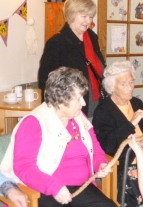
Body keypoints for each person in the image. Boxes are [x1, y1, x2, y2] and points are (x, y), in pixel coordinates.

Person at [0, 67, 116, 207]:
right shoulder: (33, 123)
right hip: (45, 190)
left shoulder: (79, 117)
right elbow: (24, 167)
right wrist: (54, 186)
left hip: (82, 188)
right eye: (78, 98)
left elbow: (96, 150)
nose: (84, 104)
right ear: (61, 99)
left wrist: (100, 164)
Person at [92, 60, 143, 207]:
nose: (130, 87)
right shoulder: (103, 111)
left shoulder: (136, 103)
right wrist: (131, 123)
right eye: (123, 84)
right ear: (112, 87)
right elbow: (108, 146)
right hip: (128, 165)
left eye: (131, 82)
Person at [38, 0, 106, 117]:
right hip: (69, 105)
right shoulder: (57, 42)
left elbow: (99, 65)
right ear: (72, 15)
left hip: (96, 99)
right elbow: (46, 80)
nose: (88, 21)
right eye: (84, 16)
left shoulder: (92, 37)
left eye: (90, 16)